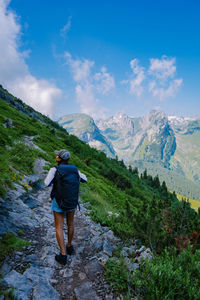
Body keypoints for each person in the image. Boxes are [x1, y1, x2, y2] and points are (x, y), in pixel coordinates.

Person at [44, 149, 87, 265]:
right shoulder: (74, 169)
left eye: (57, 156)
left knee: (59, 227)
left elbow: (46, 183)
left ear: (58, 159)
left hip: (58, 201)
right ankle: (69, 246)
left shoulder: (55, 169)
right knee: (71, 224)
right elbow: (85, 179)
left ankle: (63, 255)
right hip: (71, 201)